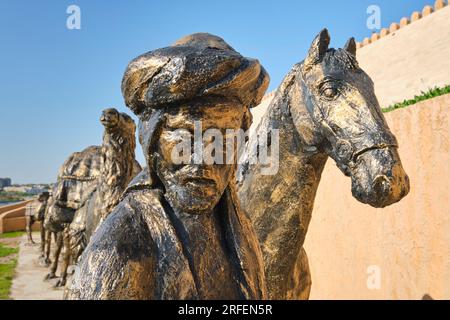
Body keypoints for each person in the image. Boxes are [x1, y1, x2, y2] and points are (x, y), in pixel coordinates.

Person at [66, 33, 269, 300]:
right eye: (184, 135)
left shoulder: (237, 226)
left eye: (221, 137)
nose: (201, 159)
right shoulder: (119, 246)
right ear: (153, 141)